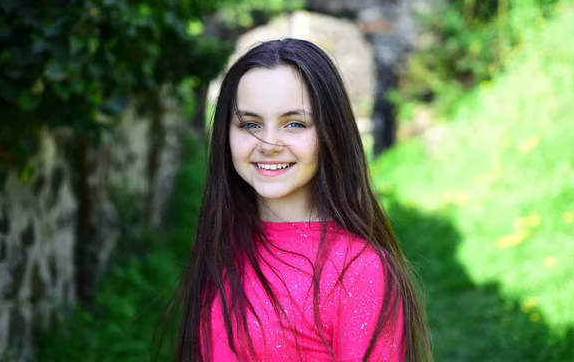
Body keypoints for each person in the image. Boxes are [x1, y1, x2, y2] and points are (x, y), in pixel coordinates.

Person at [170, 38, 431, 361]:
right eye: (250, 124)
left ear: (329, 133)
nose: (268, 143)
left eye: (294, 123)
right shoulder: (223, 245)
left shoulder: (358, 269)